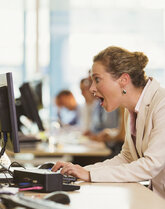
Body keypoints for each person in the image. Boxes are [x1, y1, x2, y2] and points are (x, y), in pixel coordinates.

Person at [52, 46, 165, 198]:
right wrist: (81, 170)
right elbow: (127, 157)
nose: (92, 89)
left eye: (97, 79)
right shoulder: (131, 109)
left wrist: (89, 174)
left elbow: (151, 165)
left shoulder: (161, 104)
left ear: (123, 80)